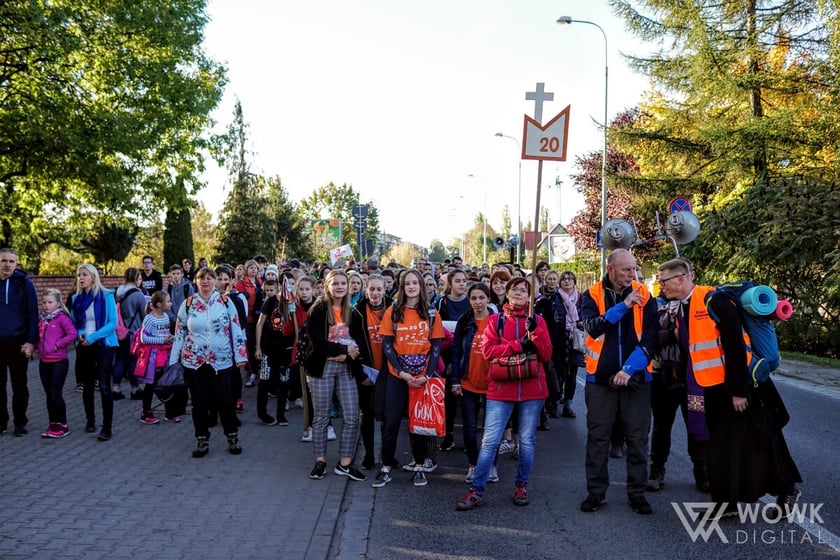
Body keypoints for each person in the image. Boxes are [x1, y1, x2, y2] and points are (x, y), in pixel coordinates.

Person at [656, 258, 801, 518]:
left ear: (681, 278)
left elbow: (734, 344)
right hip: (709, 389)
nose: (660, 285)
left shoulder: (713, 300)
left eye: (663, 280)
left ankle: (787, 489)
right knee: (718, 447)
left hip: (738, 388)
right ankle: (725, 503)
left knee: (759, 440)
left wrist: (738, 391)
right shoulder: (682, 307)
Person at [456, 276, 552, 510]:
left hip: (532, 389)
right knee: (490, 441)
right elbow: (489, 352)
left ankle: (521, 485)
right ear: (506, 293)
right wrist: (519, 344)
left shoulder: (537, 320)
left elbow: (547, 355)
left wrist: (535, 333)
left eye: (523, 290)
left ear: (530, 296)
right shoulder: (495, 320)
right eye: (514, 289)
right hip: (501, 388)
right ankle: (476, 489)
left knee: (527, 441)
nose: (519, 293)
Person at [578, 249, 659, 515]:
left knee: (637, 438)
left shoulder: (646, 296)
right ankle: (596, 493)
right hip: (599, 379)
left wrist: (628, 369)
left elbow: (650, 339)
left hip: (636, 378)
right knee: (598, 437)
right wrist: (624, 306)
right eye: (626, 270)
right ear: (610, 269)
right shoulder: (591, 295)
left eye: (634, 269)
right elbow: (593, 327)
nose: (632, 275)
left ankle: (637, 493)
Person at [373, 269, 445, 488]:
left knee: (419, 425)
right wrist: (402, 373)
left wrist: (427, 375)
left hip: (422, 376)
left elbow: (436, 347)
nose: (412, 287)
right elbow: (387, 346)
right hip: (397, 376)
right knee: (391, 421)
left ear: (421, 286)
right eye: (407, 284)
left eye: (415, 283)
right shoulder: (393, 311)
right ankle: (385, 467)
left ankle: (420, 466)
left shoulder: (431, 313)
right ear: (402, 287)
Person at [170, 266, 248, 458]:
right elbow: (179, 333)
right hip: (193, 361)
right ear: (196, 282)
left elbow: (236, 329)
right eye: (201, 279)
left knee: (225, 400)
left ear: (215, 282)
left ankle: (232, 436)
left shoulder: (225, 301)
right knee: (199, 403)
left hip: (221, 360)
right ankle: (202, 439)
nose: (205, 282)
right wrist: (173, 360)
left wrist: (240, 356)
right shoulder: (188, 304)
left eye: (209, 278)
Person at [303, 270, 369, 482]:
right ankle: (320, 461)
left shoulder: (354, 313)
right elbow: (317, 342)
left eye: (343, 283)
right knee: (322, 416)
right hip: (322, 367)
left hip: (346, 369)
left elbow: (360, 344)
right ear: (327, 286)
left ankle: (345, 463)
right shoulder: (318, 310)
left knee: (351, 416)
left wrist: (350, 357)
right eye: (336, 283)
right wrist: (342, 350)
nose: (340, 287)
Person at [646, 288, 709, 493]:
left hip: (694, 380)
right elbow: (649, 336)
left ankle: (702, 470)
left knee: (696, 423)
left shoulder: (699, 304)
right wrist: (671, 333)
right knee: (662, 425)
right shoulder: (655, 305)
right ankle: (657, 469)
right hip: (664, 377)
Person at [451, 283, 498, 483]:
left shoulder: (497, 321)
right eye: (473, 298)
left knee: (491, 429)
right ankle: (473, 464)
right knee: (469, 427)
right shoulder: (465, 321)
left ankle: (491, 466)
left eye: (481, 298)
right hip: (468, 381)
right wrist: (455, 380)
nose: (478, 302)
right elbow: (456, 351)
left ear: (488, 299)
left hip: (493, 383)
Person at [71, 263, 120, 441]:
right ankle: (90, 420)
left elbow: (112, 323)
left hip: (104, 345)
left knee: (104, 385)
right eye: (78, 275)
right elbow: (74, 323)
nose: (81, 278)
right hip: (84, 346)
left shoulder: (106, 296)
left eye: (84, 274)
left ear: (93, 277)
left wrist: (92, 337)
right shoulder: (76, 299)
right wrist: (80, 335)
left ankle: (107, 427)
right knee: (88, 385)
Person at [353, 273, 391, 470]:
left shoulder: (394, 308)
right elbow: (350, 344)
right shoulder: (357, 312)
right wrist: (360, 374)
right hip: (366, 372)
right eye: (372, 289)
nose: (375, 293)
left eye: (379, 289)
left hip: (388, 372)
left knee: (387, 416)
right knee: (366, 415)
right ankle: (368, 454)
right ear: (366, 290)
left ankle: (387, 456)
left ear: (385, 290)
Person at [0, 248, 39, 436]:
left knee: (19, 385)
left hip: (18, 342)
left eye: (11, 261)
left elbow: (33, 314)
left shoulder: (24, 284)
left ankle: (20, 422)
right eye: (3, 260)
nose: (7, 264)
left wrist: (31, 341)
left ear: (16, 264)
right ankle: (1, 422)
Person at [435, 268, 470, 453]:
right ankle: (448, 436)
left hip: (467, 355)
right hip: (449, 355)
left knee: (467, 400)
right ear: (450, 284)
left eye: (464, 280)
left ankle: (468, 438)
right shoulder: (443, 302)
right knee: (449, 399)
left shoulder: (471, 302)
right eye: (458, 281)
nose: (462, 284)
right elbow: (439, 331)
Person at [37, 289, 77, 438]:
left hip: (59, 362)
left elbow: (73, 334)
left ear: (58, 303)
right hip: (43, 361)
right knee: (48, 395)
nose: (46, 305)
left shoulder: (62, 318)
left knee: (55, 393)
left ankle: (63, 424)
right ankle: (53, 423)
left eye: (50, 302)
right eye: (44, 302)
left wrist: (57, 344)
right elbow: (39, 337)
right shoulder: (42, 319)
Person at [136, 290, 181, 424]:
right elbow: (143, 338)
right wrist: (163, 340)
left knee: (166, 384)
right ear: (160, 304)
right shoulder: (149, 318)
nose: (170, 303)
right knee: (151, 385)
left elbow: (166, 333)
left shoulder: (166, 317)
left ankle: (170, 412)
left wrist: (172, 338)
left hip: (165, 355)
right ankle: (146, 412)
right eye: (168, 301)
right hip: (153, 357)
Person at [254, 279, 294, 426]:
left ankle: (281, 414)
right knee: (264, 380)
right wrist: (258, 347)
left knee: (284, 381)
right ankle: (262, 412)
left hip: (286, 349)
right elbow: (260, 324)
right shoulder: (270, 302)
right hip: (268, 348)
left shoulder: (293, 303)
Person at [556, 270, 586, 418]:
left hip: (575, 338)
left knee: (572, 374)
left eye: (570, 279)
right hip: (561, 337)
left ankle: (568, 403)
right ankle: (556, 397)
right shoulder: (557, 296)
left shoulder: (580, 298)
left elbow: (585, 314)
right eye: (564, 279)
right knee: (560, 371)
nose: (567, 281)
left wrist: (581, 322)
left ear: (574, 281)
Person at [113, 267, 146, 401]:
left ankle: (115, 388)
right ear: (136, 278)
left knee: (120, 359)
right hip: (134, 332)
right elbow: (144, 315)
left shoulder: (118, 292)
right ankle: (134, 389)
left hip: (120, 331)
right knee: (133, 360)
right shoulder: (138, 295)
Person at [166, 264, 194, 328]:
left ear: (182, 274)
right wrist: (175, 319)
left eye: (178, 273)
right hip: (172, 322)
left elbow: (192, 304)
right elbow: (165, 307)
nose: (176, 276)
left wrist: (185, 319)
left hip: (186, 321)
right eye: (173, 274)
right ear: (170, 275)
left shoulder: (188, 287)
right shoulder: (168, 289)